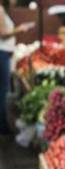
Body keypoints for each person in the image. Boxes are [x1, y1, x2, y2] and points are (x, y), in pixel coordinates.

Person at [0, 3, 32, 135]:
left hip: (3, 53)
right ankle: (2, 127)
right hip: (2, 54)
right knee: (3, 90)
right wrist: (20, 29)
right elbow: (3, 34)